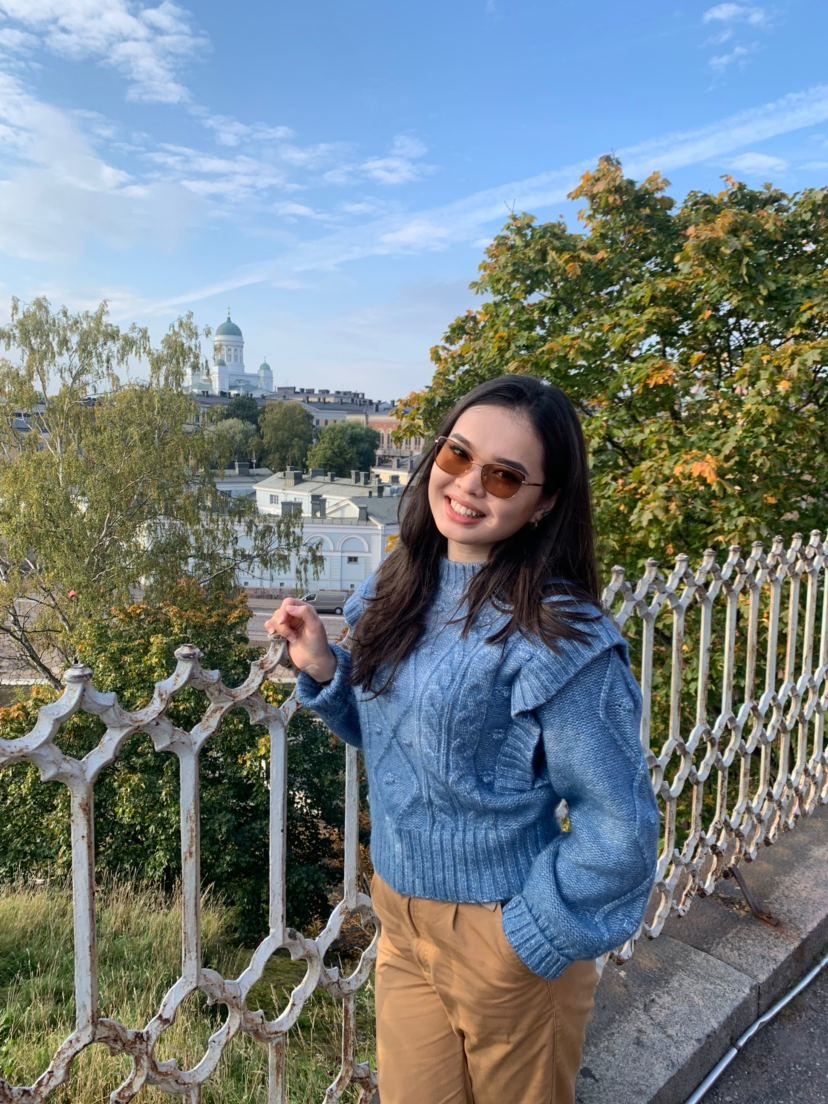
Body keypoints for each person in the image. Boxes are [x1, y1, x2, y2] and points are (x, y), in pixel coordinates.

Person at [266, 375, 660, 1104]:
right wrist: (325, 668)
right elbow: (400, 740)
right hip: (400, 918)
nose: (470, 487)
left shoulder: (559, 636)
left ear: (543, 503)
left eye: (504, 476)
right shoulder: (400, 587)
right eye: (458, 456)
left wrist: (526, 938)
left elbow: (620, 825)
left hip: (504, 930)